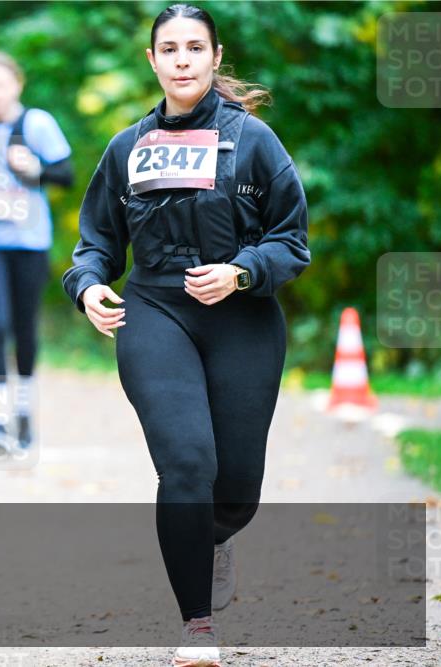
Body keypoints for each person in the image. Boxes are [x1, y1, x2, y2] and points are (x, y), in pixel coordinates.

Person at [62, 5, 310, 666]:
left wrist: (241, 271)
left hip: (244, 320)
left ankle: (213, 533)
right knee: (187, 462)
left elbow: (290, 240)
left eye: (193, 47)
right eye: (168, 48)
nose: (181, 59)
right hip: (155, 313)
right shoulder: (126, 148)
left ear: (214, 56)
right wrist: (87, 286)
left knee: (235, 489)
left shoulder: (254, 141)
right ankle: (197, 626)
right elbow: (95, 244)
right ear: (152, 60)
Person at [0, 52, 73, 454]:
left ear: (17, 84)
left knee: (24, 327)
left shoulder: (37, 123)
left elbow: (67, 174)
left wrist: (35, 168)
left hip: (29, 240)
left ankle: (24, 412)